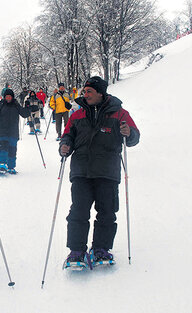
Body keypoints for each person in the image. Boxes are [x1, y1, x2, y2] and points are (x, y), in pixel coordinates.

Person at [59, 76, 140, 267]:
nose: (85, 95)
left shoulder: (119, 113)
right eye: (84, 92)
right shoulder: (77, 115)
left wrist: (130, 133)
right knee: (78, 211)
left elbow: (134, 137)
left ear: (100, 93)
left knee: (107, 211)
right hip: (81, 170)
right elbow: (67, 136)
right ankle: (76, 251)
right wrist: (65, 146)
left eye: (89, 92)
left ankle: (101, 249)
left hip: (108, 171)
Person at [0, 88, 30, 175]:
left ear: (12, 97)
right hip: (3, 131)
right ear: (4, 97)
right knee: (3, 147)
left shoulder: (16, 105)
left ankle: (11, 167)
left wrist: (28, 107)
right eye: (6, 96)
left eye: (10, 96)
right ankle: (2, 164)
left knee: (12, 149)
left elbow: (24, 114)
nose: (8, 98)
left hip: (13, 132)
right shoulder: (2, 105)